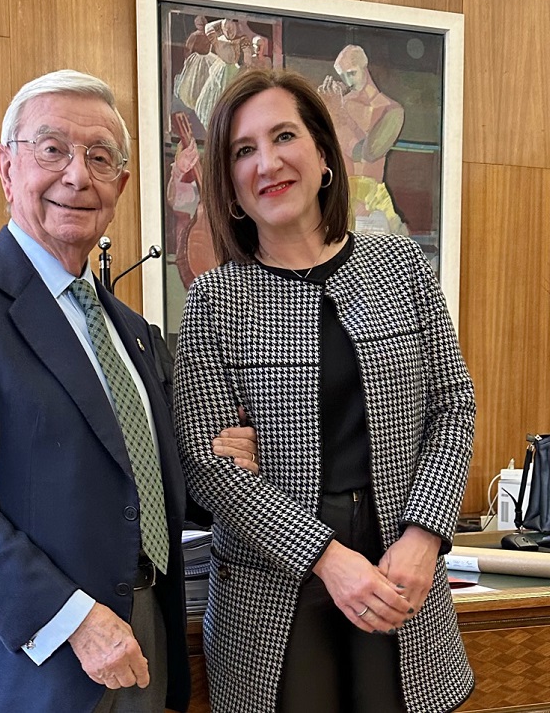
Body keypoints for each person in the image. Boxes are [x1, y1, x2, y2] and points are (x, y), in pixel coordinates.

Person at [0, 69, 257, 713]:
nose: (78, 176)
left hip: (145, 638)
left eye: (100, 157)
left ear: (121, 186)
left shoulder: (133, 332)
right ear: (6, 167)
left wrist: (207, 464)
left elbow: (133, 482)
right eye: (52, 149)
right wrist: (77, 622)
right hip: (28, 664)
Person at [173, 68, 475, 713]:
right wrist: (328, 557)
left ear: (323, 154)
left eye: (284, 136)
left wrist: (425, 536)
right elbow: (209, 465)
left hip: (400, 567)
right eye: (244, 150)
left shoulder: (401, 267)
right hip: (271, 588)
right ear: (230, 186)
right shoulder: (214, 299)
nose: (268, 162)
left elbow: (454, 406)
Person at [318, 44, 407, 235]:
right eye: (342, 75)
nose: (347, 81)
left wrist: (338, 115)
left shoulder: (391, 109)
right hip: (338, 197)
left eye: (352, 73)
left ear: (364, 68)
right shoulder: (339, 103)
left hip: (370, 202)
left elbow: (368, 153)